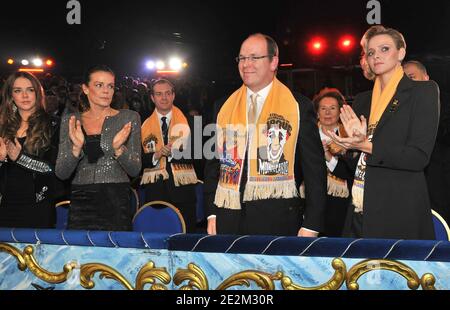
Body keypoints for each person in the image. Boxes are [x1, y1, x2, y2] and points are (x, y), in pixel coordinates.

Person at [204, 33, 327, 237]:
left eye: (254, 57)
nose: (246, 64)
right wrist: (211, 213)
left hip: (278, 220)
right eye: (242, 58)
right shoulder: (222, 106)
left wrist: (312, 224)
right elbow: (212, 165)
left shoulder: (298, 107)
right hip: (227, 218)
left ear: (273, 62)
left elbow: (315, 171)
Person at [327, 26, 440, 240]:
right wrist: (347, 147)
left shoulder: (422, 92)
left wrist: (365, 145)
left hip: (400, 209)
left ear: (401, 53)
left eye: (385, 49)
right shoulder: (362, 100)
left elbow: (418, 157)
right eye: (370, 52)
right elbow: (355, 163)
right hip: (360, 209)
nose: (376, 55)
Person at [56, 65, 141, 231]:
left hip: (116, 199)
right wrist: (76, 149)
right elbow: (61, 172)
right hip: (81, 199)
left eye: (110, 86)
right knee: (80, 255)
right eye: (99, 85)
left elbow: (135, 170)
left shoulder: (129, 117)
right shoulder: (71, 120)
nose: (106, 91)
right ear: (86, 89)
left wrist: (119, 149)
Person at [0, 72, 60, 228]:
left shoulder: (53, 125)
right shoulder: (3, 127)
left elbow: (53, 170)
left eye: (30, 90)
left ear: (37, 93)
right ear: (11, 95)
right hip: (5, 203)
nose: (25, 95)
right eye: (18, 90)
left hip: (38, 205)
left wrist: (20, 158)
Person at [140, 79, 199, 233]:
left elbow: (199, 157)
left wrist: (174, 152)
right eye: (159, 94)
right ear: (152, 98)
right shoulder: (142, 125)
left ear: (173, 96)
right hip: (155, 193)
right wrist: (156, 155)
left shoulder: (191, 122)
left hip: (183, 192)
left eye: (167, 93)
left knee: (185, 242)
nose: (164, 98)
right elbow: (138, 162)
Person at [403, 60, 450, 225]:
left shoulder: (443, 102)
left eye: (412, 77)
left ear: (426, 77)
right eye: (404, 79)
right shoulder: (398, 108)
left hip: (441, 175)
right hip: (414, 181)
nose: (409, 83)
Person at [312, 88, 351, 237]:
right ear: (317, 112)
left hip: (340, 203)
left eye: (332, 108)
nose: (327, 113)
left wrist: (328, 156)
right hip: (311, 200)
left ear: (340, 112)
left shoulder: (349, 137)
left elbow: (350, 172)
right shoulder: (308, 136)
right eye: (323, 108)